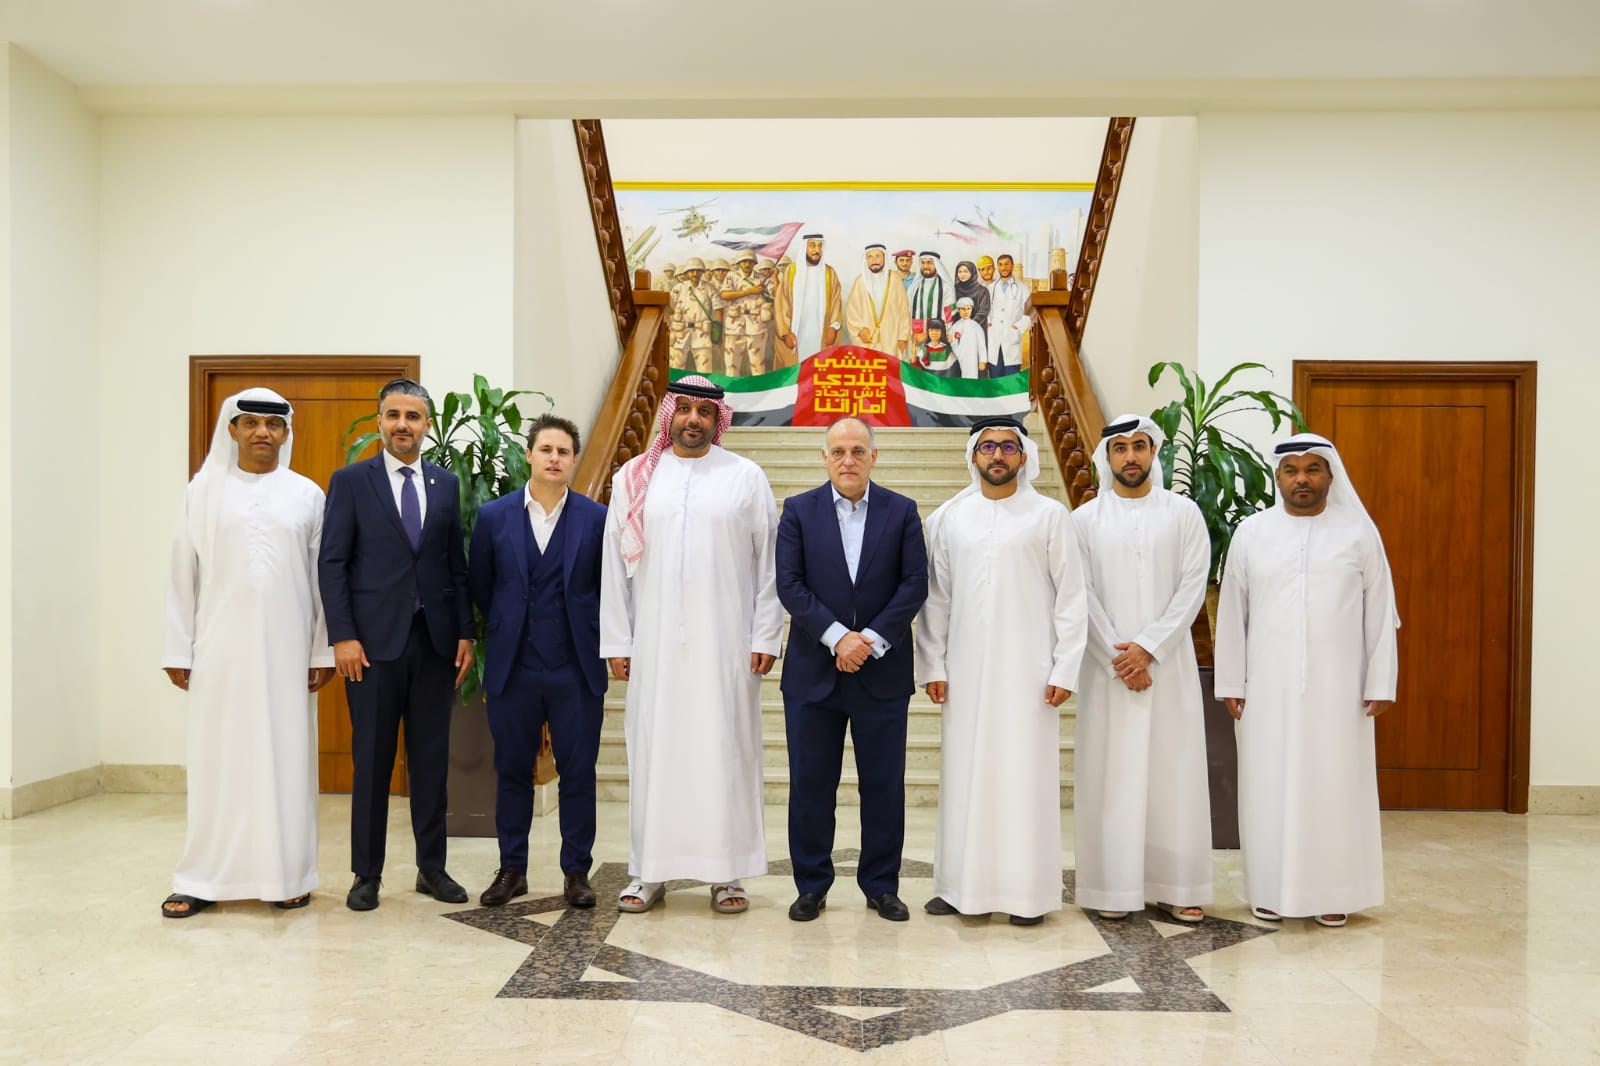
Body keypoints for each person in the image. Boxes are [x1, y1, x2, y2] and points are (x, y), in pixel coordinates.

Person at [600, 377, 784, 915]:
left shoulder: (745, 477)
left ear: (717, 420)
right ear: (670, 415)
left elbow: (769, 566)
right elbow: (613, 564)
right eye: (684, 409)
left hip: (727, 644)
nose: (693, 420)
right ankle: (649, 871)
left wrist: (765, 634)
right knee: (655, 752)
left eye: (704, 411)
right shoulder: (634, 477)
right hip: (654, 643)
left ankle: (726, 874)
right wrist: (618, 638)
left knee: (723, 751)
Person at [160, 388, 336, 918]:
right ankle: (201, 878)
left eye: (273, 424)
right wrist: (178, 648)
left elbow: (323, 581)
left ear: (286, 432)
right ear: (233, 430)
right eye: (252, 423)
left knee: (286, 761)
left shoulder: (307, 495)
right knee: (217, 761)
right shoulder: (202, 492)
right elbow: (182, 573)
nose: (263, 432)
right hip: (218, 650)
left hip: (288, 653)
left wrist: (321, 651)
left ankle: (286, 876)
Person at [1215, 432, 1399, 929]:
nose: (1302, 479)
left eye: (1312, 469)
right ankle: (1270, 890)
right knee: (1268, 785)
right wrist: (1231, 680)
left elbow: (1381, 613)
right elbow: (1232, 611)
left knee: (1335, 785)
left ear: (1330, 476)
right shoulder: (1252, 533)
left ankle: (1334, 892)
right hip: (1267, 688)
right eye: (1292, 470)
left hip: (1341, 691)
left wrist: (1380, 682)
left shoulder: (1358, 534)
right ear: (1278, 477)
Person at [915, 417, 1087, 925]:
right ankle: (958, 888)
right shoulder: (949, 518)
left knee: (1024, 779)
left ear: (1023, 456)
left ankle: (1026, 895)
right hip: (965, 673)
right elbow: (936, 599)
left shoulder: (1050, 516)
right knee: (964, 777)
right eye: (987, 447)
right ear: (973, 456)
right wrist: (933, 663)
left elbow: (1072, 597)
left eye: (1008, 447)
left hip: (1030, 674)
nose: (997, 455)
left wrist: (1065, 669)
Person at [319, 378, 475, 912]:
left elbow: (454, 565)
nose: (402, 425)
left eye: (412, 416)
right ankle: (366, 874)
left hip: (434, 645)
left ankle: (432, 868)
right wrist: (343, 635)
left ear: (427, 424)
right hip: (371, 648)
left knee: (431, 762)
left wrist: (464, 632)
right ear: (380, 421)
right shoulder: (350, 482)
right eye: (393, 415)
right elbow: (333, 563)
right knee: (372, 762)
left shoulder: (445, 484)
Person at [776, 417, 929, 923]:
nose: (848, 460)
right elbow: (790, 584)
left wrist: (870, 641)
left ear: (873, 457)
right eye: (838, 451)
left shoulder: (901, 511)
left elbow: (914, 584)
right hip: (812, 674)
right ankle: (811, 885)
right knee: (811, 785)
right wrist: (838, 637)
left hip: (882, 674)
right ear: (824, 458)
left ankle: (881, 885)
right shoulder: (798, 511)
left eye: (858, 451)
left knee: (883, 785)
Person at [1071, 415, 1213, 923]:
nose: (1130, 456)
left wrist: (1148, 649)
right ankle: (1111, 888)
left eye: (1139, 446)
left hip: (1168, 670)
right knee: (1111, 778)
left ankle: (1178, 885)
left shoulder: (1184, 513)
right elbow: (1079, 595)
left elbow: (1192, 587)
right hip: (1107, 673)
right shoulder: (1083, 521)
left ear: (1153, 452)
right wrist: (1120, 658)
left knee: (1174, 775)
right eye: (1120, 448)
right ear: (1107, 457)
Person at [468, 414, 608, 909]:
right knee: (511, 770)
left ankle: (577, 872)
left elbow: (606, 588)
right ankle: (512, 868)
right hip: (514, 667)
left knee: (578, 772)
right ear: (528, 455)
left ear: (573, 460)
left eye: (563, 451)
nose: (554, 458)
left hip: (575, 668)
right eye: (546, 449)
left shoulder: (596, 518)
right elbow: (481, 585)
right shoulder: (493, 517)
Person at [775, 233, 843, 362]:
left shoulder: (829, 273)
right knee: (796, 369)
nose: (816, 250)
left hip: (821, 334)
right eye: (812, 245)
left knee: (819, 367)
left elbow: (836, 303)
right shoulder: (791, 271)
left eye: (819, 246)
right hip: (796, 334)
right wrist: (785, 333)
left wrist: (833, 327)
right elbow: (781, 303)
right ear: (804, 248)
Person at [844, 243, 913, 359]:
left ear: (884, 258)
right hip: (867, 340)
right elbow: (851, 311)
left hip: (892, 339)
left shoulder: (895, 279)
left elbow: (904, 310)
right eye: (870, 257)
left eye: (877, 256)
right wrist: (859, 330)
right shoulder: (860, 282)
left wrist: (903, 337)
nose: (874, 260)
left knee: (891, 368)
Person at [720, 250, 770, 375]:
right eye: (744, 261)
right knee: (732, 363)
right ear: (739, 263)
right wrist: (749, 291)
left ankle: (758, 385)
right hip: (735, 322)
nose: (747, 264)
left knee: (758, 362)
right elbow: (724, 295)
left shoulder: (762, 278)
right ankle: (731, 387)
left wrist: (773, 278)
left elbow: (774, 297)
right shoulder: (731, 276)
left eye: (750, 261)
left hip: (756, 323)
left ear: (754, 263)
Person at [986, 254, 1031, 377]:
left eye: (1006, 264)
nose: (1003, 267)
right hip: (994, 338)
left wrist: (1018, 327)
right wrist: (988, 323)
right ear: (997, 267)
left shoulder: (1022, 287)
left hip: (1012, 340)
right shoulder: (991, 288)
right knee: (995, 380)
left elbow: (1029, 313)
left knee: (1011, 379)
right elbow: (986, 309)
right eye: (1000, 265)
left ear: (1012, 266)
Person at [668, 258, 714, 373]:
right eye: (692, 271)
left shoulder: (709, 288)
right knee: (676, 368)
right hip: (681, 333)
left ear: (702, 272)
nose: (695, 274)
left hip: (702, 333)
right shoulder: (678, 288)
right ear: (687, 272)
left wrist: (718, 330)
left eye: (698, 270)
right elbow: (668, 309)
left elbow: (718, 309)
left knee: (705, 369)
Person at [906, 250, 954, 332]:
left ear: (937, 265)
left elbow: (949, 315)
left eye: (929, 263)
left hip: (938, 335)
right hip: (916, 335)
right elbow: (907, 311)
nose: (925, 266)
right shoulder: (914, 287)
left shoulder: (946, 287)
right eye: (923, 263)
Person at [948, 297, 987, 378]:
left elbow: (981, 345)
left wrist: (982, 361)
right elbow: (951, 342)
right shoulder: (955, 326)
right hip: (958, 357)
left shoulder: (976, 326)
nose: (966, 312)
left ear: (971, 309)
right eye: (963, 309)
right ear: (959, 310)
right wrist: (951, 341)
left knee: (971, 378)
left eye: (968, 309)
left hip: (972, 358)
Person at [953, 260, 991, 330]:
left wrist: (970, 325)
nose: (962, 274)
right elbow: (950, 309)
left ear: (972, 272)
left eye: (966, 271)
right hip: (957, 328)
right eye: (960, 272)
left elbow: (983, 312)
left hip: (976, 328)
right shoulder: (953, 290)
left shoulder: (982, 291)